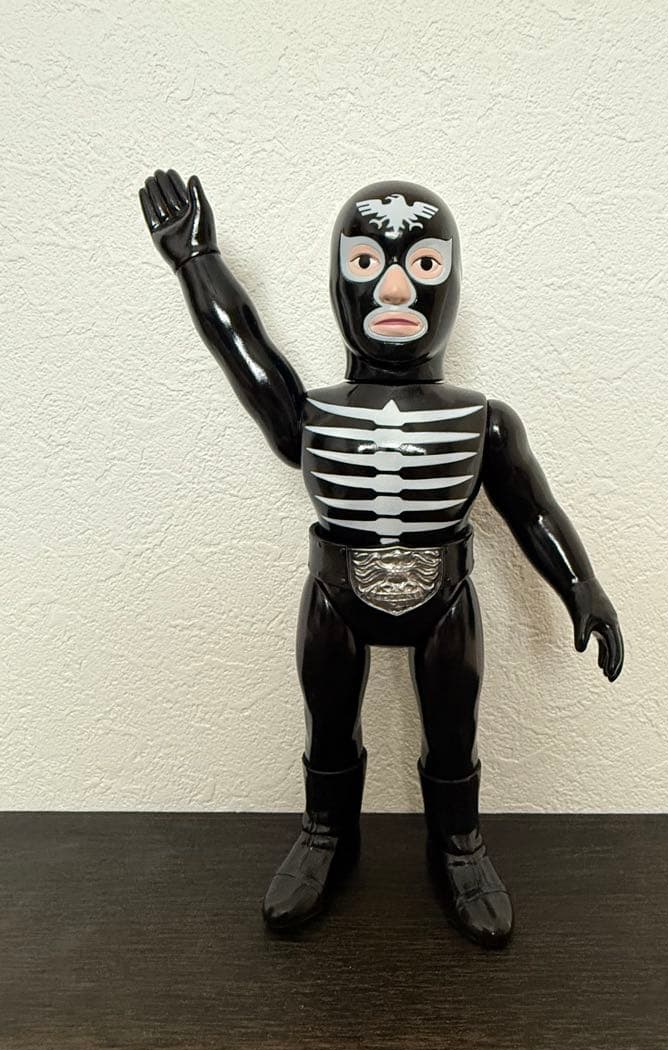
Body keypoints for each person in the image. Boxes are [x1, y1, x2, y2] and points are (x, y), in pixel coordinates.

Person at [139, 171, 624, 948]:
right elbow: (245, 349)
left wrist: (582, 585)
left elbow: (533, 510)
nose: (395, 288)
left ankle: (458, 845)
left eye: (422, 264)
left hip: (446, 600)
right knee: (328, 722)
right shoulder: (310, 414)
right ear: (340, 281)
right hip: (334, 595)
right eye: (367, 262)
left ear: (450, 283)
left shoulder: (484, 421)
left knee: (454, 726)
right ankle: (325, 835)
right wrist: (198, 262)